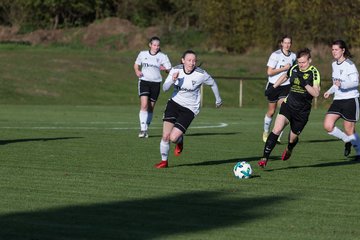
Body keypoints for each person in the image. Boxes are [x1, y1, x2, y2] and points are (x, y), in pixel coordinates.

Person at [155, 50, 223, 168]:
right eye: (189, 60)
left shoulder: (201, 74)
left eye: (194, 61)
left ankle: (179, 141)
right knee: (165, 136)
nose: (192, 63)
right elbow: (165, 89)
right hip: (174, 104)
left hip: (190, 109)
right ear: (183, 60)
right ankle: (164, 161)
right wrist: (173, 79)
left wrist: (218, 99)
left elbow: (213, 84)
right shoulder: (176, 70)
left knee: (173, 138)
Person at [258, 48, 321, 167]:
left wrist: (305, 83)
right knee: (276, 130)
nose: (301, 65)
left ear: (310, 60)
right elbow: (284, 76)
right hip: (288, 106)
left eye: (304, 62)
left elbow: (316, 93)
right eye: (299, 62)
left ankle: (289, 148)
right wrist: (274, 87)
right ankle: (264, 158)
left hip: (302, 112)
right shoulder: (294, 68)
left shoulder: (314, 72)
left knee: (292, 139)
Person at [323, 40, 360, 160]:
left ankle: (359, 152)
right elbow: (336, 83)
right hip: (338, 100)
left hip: (350, 99)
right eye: (332, 49)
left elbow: (355, 82)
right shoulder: (334, 64)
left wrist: (342, 84)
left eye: (336, 49)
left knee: (349, 129)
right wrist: (330, 91)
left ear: (343, 50)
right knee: (328, 125)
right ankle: (346, 140)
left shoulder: (349, 65)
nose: (334, 52)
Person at [134, 36, 172, 138]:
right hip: (144, 82)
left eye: (158, 45)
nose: (156, 47)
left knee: (150, 108)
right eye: (154, 45)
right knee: (144, 105)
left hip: (156, 83)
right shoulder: (143, 54)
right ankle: (143, 130)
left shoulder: (163, 56)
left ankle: (146, 128)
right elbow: (136, 65)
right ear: (150, 45)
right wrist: (137, 71)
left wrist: (165, 69)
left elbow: (170, 70)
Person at [263, 35, 296, 143]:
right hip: (273, 85)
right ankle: (266, 132)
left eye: (289, 43)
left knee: (283, 110)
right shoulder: (275, 55)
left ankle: (277, 135)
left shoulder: (293, 56)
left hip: (286, 86)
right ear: (281, 43)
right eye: (285, 42)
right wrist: (283, 68)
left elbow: (293, 70)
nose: (287, 45)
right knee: (271, 111)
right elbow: (269, 72)